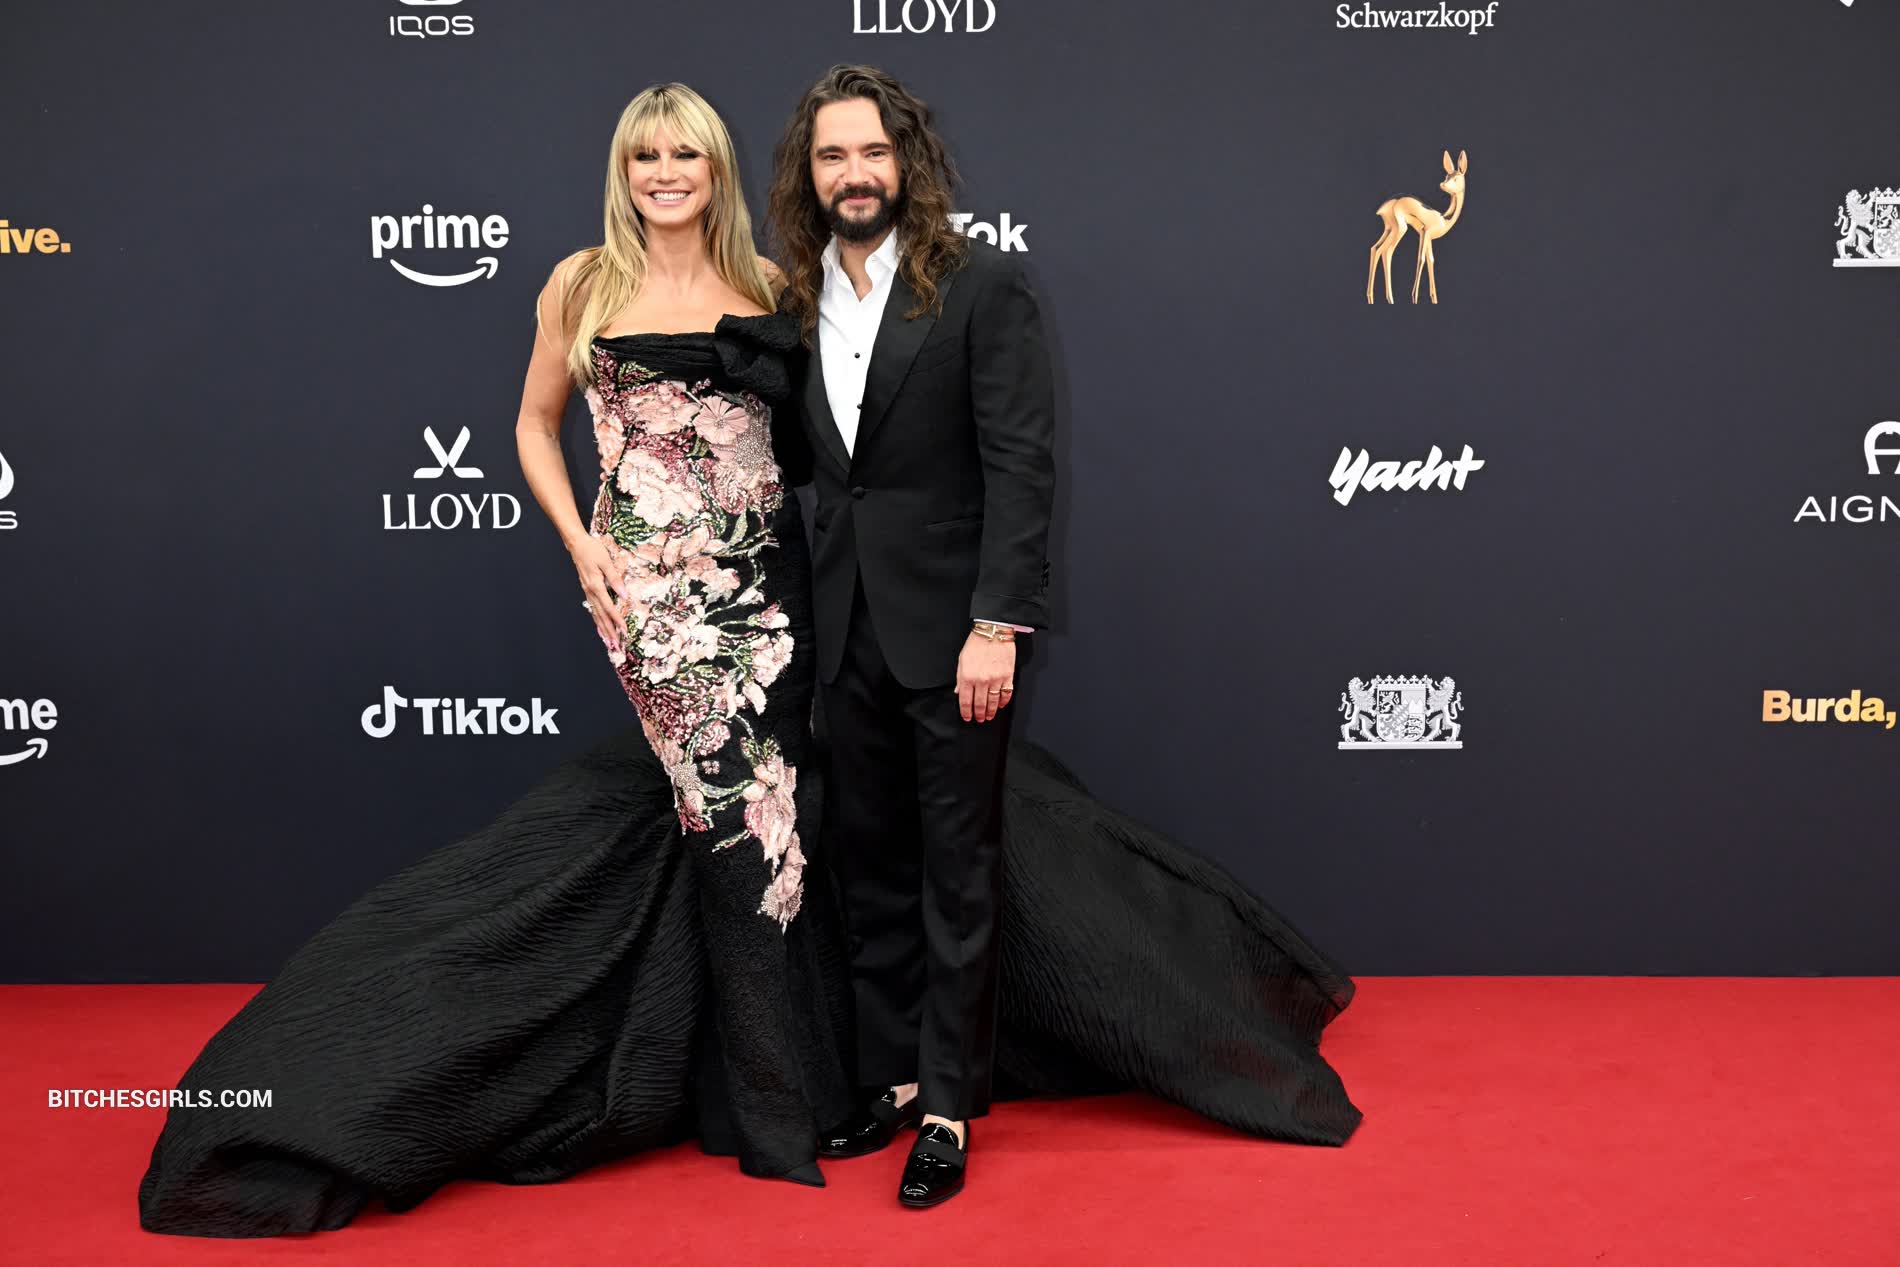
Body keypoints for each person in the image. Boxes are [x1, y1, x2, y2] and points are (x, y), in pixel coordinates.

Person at [135, 80, 1361, 1239]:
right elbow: (549, 423)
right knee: (772, 837)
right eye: (646, 154)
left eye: (688, 153)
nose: (666, 171)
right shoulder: (632, 283)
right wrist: (583, 547)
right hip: (675, 603)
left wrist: (994, 617)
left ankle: (921, 1104)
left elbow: (965, 459)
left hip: (796, 603)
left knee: (871, 847)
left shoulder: (823, 284)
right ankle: (804, 1093)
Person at [763, 65, 1049, 1207]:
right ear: (809, 174)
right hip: (844, 632)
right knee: (870, 864)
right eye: (832, 155)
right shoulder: (796, 303)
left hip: (954, 636)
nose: (854, 173)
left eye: (872, 152)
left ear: (906, 163)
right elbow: (813, 467)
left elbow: (1020, 464)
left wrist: (997, 623)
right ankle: (889, 1077)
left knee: (956, 871)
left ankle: (948, 1106)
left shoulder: (981, 287)